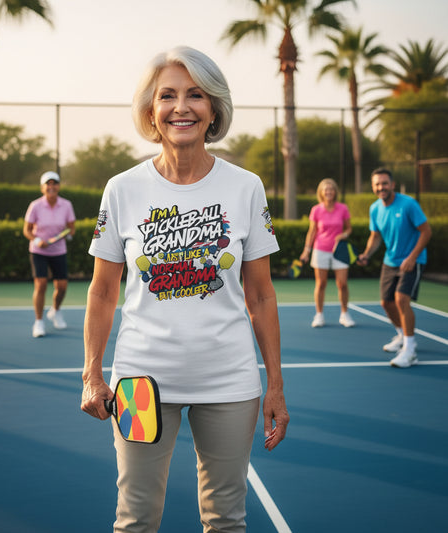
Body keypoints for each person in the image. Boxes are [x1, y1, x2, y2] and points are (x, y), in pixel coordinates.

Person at [80, 46, 289, 532]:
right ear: (151, 111)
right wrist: (92, 373)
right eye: (167, 96)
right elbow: (102, 292)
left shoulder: (246, 187)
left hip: (231, 383)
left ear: (214, 107)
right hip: (140, 383)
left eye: (196, 95)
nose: (181, 107)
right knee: (135, 517)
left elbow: (261, 295)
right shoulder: (122, 189)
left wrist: (274, 383)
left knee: (227, 518)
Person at [358, 168, 431, 368]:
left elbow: (426, 231)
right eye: (377, 184)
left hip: (412, 261)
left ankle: (410, 349)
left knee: (401, 300)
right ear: (373, 187)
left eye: (384, 183)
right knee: (386, 303)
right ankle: (401, 334)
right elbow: (375, 237)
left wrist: (412, 257)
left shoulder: (408, 204)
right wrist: (366, 254)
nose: (381, 187)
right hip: (390, 261)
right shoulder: (375, 209)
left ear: (392, 184)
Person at [23, 171, 76, 338]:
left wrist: (63, 235)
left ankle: (55, 311)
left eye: (55, 183)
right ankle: (38, 322)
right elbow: (27, 230)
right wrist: (38, 240)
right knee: (41, 284)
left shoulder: (66, 205)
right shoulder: (35, 206)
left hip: (59, 250)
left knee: (61, 287)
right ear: (42, 188)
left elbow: (71, 228)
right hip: (39, 251)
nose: (51, 187)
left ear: (58, 186)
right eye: (48, 184)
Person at [300, 178, 355, 328]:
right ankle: (319, 315)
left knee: (342, 283)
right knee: (321, 283)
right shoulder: (316, 210)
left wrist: (344, 235)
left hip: (340, 250)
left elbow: (348, 229)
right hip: (320, 249)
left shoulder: (343, 208)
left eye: (331, 189)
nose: (329, 192)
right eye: (326, 189)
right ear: (321, 193)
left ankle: (345, 314)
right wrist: (306, 250)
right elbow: (312, 231)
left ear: (335, 191)